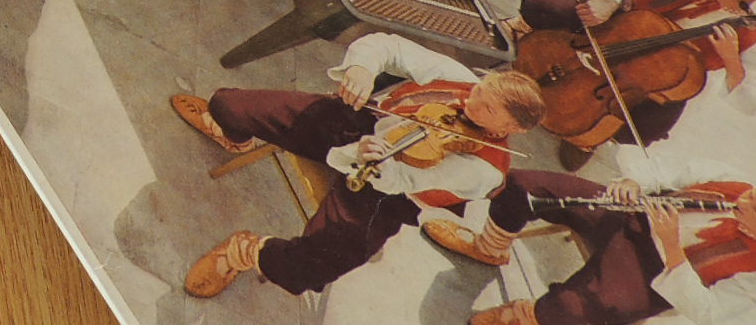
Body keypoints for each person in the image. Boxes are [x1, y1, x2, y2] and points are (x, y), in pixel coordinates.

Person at [169, 33, 547, 300]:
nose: (469, 104)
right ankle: (236, 140)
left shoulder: (485, 170)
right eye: (479, 91)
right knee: (227, 105)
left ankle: (245, 251)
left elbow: (403, 178)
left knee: (315, 267)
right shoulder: (463, 83)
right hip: (359, 125)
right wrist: (363, 69)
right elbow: (388, 45)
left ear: (510, 129)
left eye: (486, 109)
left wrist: (376, 157)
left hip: (389, 192)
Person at [422, 152, 756, 325]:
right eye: (754, 193)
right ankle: (489, 248)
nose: (743, 200)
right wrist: (635, 182)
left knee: (570, 310)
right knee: (522, 185)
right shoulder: (733, 181)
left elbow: (708, 313)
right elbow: (662, 168)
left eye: (754, 209)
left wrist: (673, 248)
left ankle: (519, 317)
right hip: (630, 218)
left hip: (653, 276)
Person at [514, 0, 756, 168]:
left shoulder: (753, 39)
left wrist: (732, 61)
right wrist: (609, 0)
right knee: (545, 7)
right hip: (620, 27)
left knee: (649, 128)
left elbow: (754, 104)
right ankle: (524, 35)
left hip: (654, 74)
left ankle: (589, 137)